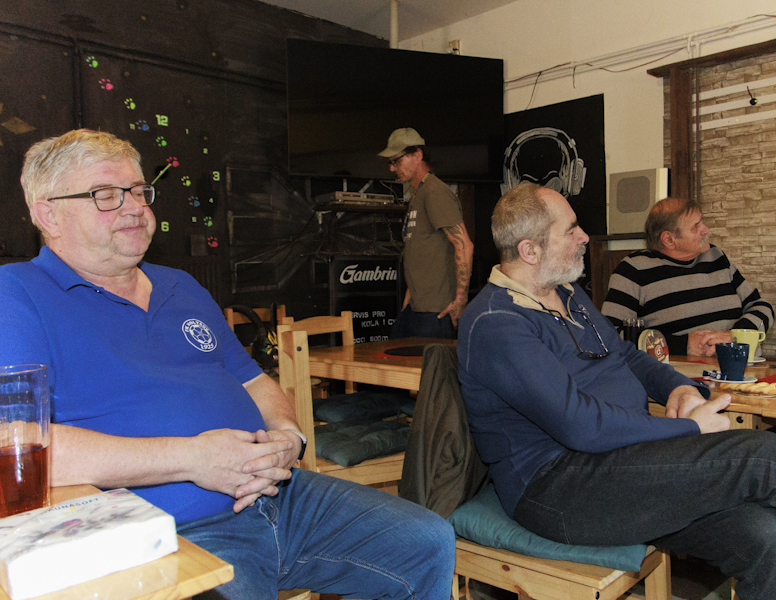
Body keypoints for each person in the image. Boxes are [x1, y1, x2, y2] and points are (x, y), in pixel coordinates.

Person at [0, 129, 455, 600]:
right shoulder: (16, 294)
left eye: (138, 190)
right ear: (47, 214)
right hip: (176, 529)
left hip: (282, 496)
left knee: (427, 543)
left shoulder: (181, 285)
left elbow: (254, 380)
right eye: (106, 194)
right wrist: (191, 459)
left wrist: (288, 436)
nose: (134, 207)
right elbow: (14, 443)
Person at [457, 181, 776, 600]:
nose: (585, 237)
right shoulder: (496, 322)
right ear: (530, 250)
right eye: (571, 229)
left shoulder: (567, 294)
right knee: (765, 457)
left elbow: (624, 354)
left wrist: (678, 388)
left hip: (622, 465)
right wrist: (690, 428)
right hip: (557, 489)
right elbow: (581, 425)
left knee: (768, 537)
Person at [601, 196, 774, 356]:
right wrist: (681, 346)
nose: (707, 230)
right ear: (669, 239)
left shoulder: (716, 258)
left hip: (743, 371)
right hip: (680, 375)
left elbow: (762, 307)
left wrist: (735, 335)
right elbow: (609, 336)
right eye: (696, 227)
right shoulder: (633, 270)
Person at [379, 127, 473, 339]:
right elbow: (422, 250)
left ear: (417, 155)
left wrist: (460, 300)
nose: (392, 168)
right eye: (390, 163)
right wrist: (410, 296)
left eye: (397, 161)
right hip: (416, 307)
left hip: (436, 311)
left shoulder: (435, 191)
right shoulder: (418, 193)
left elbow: (464, 244)